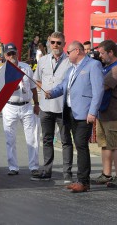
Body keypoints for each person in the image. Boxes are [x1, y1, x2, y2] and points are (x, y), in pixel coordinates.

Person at [45, 40, 104, 193]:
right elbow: (63, 87)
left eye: (69, 52)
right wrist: (51, 93)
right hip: (71, 111)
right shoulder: (71, 69)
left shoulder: (93, 65)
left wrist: (92, 111)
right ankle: (81, 180)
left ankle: (83, 181)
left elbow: (98, 91)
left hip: (85, 113)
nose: (67, 55)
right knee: (78, 144)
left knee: (81, 144)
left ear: (77, 51)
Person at [32, 31, 73, 183]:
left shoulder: (70, 62)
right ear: (49, 43)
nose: (55, 45)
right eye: (53, 42)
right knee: (47, 140)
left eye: (59, 43)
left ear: (64, 44)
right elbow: (36, 79)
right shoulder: (42, 60)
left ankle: (67, 173)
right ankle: (47, 170)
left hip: (62, 107)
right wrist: (44, 90)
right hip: (45, 106)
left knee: (66, 141)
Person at [0, 43, 40, 176]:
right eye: (9, 54)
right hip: (10, 106)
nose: (11, 56)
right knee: (10, 138)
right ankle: (13, 167)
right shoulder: (2, 70)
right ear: (5, 56)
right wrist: (10, 88)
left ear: (17, 53)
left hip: (27, 105)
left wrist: (37, 104)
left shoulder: (26, 68)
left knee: (32, 137)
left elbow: (33, 87)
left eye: (13, 53)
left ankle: (33, 166)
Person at [92, 40, 117, 188]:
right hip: (104, 112)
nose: (100, 56)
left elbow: (102, 86)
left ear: (111, 52)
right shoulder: (107, 67)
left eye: (102, 53)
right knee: (105, 145)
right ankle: (106, 174)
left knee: (115, 145)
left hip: (114, 112)